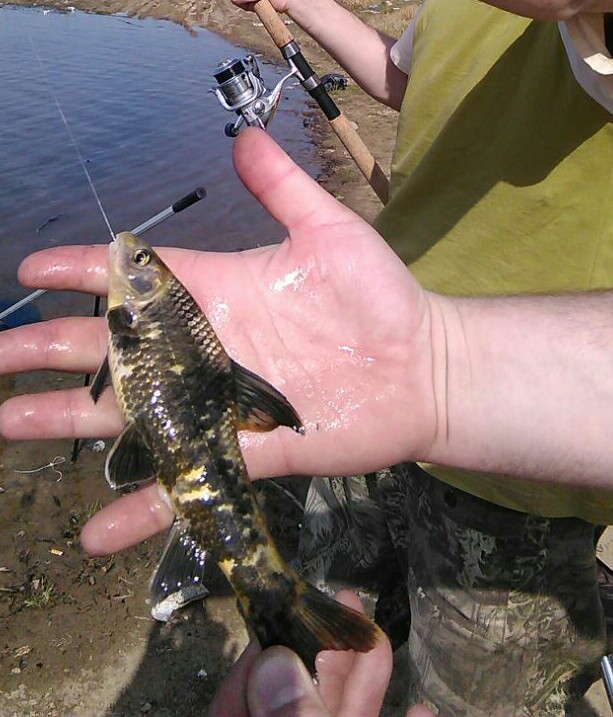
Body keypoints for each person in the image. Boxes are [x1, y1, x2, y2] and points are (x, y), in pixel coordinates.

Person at [0, 129, 613, 715]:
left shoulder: (136, 317)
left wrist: (431, 362)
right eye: (141, 267)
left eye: (142, 266)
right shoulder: (141, 322)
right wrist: (434, 363)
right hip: (203, 438)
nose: (132, 259)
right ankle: (290, 603)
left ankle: (286, 606)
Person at [230, 1, 613, 714]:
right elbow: (404, 80)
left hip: (520, 444)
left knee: (472, 697)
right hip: (372, 374)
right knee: (326, 633)